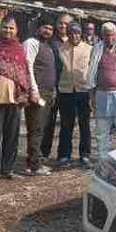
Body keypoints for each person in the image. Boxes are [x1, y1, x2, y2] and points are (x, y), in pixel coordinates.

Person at [0, 15, 36, 183]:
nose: (7, 30)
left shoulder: (18, 48)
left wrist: (26, 93)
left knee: (12, 136)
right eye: (5, 27)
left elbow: (23, 73)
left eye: (11, 28)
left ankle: (7, 169)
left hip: (14, 100)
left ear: (16, 30)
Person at [88, 22, 116, 155]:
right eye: (106, 35)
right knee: (102, 130)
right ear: (102, 36)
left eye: (112, 35)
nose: (109, 38)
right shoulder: (96, 49)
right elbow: (92, 73)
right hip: (101, 94)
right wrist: (91, 96)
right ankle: (103, 159)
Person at [23, 18, 57, 176]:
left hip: (48, 93)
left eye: (50, 28)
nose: (48, 31)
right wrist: (33, 90)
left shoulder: (48, 46)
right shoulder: (31, 43)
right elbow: (28, 66)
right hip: (37, 93)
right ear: (38, 29)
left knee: (41, 128)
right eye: (45, 27)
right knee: (35, 129)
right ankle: (33, 165)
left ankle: (35, 162)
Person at [57, 22, 94, 165]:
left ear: (81, 33)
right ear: (68, 33)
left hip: (83, 90)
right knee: (66, 124)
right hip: (66, 90)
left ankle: (85, 154)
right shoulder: (60, 49)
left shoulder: (89, 49)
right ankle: (64, 154)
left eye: (77, 32)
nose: (74, 35)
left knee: (84, 124)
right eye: (71, 32)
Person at [40, 13, 71, 161]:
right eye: (61, 23)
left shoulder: (75, 41)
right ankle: (43, 153)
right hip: (51, 87)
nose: (63, 26)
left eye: (66, 24)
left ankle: (63, 155)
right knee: (48, 122)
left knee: (66, 122)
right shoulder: (50, 42)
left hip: (69, 88)